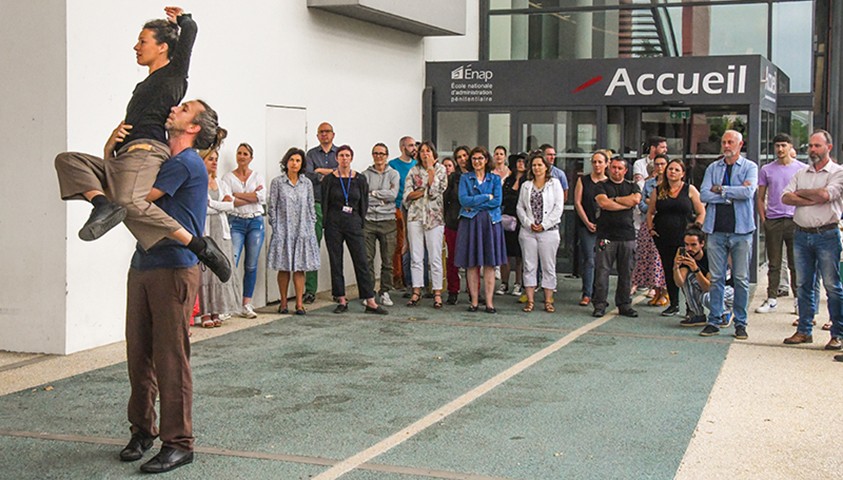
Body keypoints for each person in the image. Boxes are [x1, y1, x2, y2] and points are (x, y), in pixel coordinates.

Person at [53, 7, 230, 282]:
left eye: (142, 41)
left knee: (129, 201)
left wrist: (183, 20)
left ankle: (198, 245)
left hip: (147, 152)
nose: (136, 47)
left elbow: (190, 33)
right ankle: (102, 205)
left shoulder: (174, 75)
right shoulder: (142, 86)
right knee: (68, 161)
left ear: (162, 47)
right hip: (124, 156)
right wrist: (109, 146)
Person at [119, 99, 224, 474]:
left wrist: (113, 177)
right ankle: (142, 430)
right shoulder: (167, 162)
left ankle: (179, 442)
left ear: (194, 128)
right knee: (139, 354)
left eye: (184, 109)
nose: (175, 108)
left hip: (173, 269)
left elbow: (135, 198)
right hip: (144, 263)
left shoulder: (185, 163)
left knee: (170, 359)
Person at [782, 130, 843, 353]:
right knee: (804, 285)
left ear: (829, 147)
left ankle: (837, 334)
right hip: (801, 234)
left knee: (832, 286)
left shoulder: (838, 172)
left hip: (826, 235)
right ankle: (804, 330)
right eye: (810, 146)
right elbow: (785, 197)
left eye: (817, 146)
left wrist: (802, 195)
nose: (812, 150)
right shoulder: (802, 172)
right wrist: (813, 195)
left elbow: (827, 196)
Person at [698, 130, 757, 339]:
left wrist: (721, 190)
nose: (726, 145)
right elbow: (704, 194)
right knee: (716, 278)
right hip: (715, 230)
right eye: (723, 142)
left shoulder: (750, 167)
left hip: (741, 231)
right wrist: (732, 193)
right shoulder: (713, 167)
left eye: (730, 142)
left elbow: (748, 193)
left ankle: (740, 323)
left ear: (740, 145)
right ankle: (714, 320)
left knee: (740, 278)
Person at [322, 145, 388, 314]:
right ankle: (341, 299)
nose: (344, 158)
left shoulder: (359, 179)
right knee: (336, 262)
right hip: (334, 225)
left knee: (362, 261)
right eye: (341, 155)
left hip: (354, 224)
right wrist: (327, 224)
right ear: (337, 158)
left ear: (352, 158)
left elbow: (363, 203)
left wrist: (360, 221)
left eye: (347, 155)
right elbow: (325, 203)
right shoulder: (329, 180)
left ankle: (370, 300)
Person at [647, 158, 706, 317]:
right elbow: (651, 212)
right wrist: (651, 228)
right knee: (669, 269)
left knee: (686, 270)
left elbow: (701, 211)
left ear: (683, 174)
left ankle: (690, 306)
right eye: (670, 169)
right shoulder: (658, 190)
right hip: (663, 237)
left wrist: (696, 229)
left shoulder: (690, 190)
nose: (672, 172)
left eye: (676, 170)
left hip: (684, 239)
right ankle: (673, 304)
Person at [755, 133, 807, 314]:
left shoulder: (802, 169)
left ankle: (799, 301)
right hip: (774, 220)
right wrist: (764, 219)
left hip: (795, 220)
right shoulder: (766, 169)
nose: (780, 149)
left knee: (796, 263)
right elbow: (760, 197)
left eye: (783, 145)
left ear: (791, 147)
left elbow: (806, 195)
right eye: (777, 146)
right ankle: (771, 298)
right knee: (774, 263)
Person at [267, 147, 320, 315]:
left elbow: (311, 206)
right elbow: (272, 206)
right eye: (292, 160)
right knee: (284, 268)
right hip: (283, 231)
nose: (294, 163)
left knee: (300, 268)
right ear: (286, 162)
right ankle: (283, 303)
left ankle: (299, 303)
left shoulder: (307, 183)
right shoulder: (277, 183)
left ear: (302, 163)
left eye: (298, 160)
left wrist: (310, 225)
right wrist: (276, 226)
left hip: (303, 231)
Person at [456, 146, 507, 313]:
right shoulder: (465, 178)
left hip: (490, 223)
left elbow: (497, 202)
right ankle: (475, 302)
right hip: (470, 223)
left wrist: (475, 203)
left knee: (489, 264)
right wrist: (485, 197)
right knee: (471, 264)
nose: (477, 162)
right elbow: (464, 200)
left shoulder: (495, 179)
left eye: (480, 158)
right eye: (474, 159)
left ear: (486, 160)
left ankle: (490, 302)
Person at [197, 147, 241, 328]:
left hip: (221, 232)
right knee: (204, 272)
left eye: (216, 159)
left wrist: (214, 204)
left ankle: (216, 310)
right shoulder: (198, 183)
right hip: (206, 231)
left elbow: (231, 206)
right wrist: (220, 205)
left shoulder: (221, 184)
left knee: (219, 269)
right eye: (210, 159)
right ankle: (205, 312)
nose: (214, 162)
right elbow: (201, 208)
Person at [221, 143, 266, 319]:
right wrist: (251, 196)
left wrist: (237, 195)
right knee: (232, 262)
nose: (241, 156)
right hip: (236, 222)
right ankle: (227, 304)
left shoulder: (258, 176)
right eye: (239, 153)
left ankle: (246, 303)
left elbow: (261, 198)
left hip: (255, 221)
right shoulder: (227, 177)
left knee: (251, 265)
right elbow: (229, 202)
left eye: (245, 153)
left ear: (251, 157)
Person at [592, 157, 641, 318]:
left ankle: (624, 304)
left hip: (627, 236)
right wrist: (624, 203)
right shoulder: (601, 186)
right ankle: (599, 305)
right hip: (606, 236)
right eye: (613, 167)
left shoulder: (632, 186)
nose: (616, 171)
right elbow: (603, 204)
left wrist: (614, 200)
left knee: (626, 273)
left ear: (625, 170)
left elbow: (635, 200)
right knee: (602, 273)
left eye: (620, 168)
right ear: (609, 168)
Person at [516, 152, 564, 313]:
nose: (537, 168)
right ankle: (530, 300)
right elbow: (520, 207)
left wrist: (544, 224)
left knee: (548, 266)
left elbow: (558, 207)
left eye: (540, 165)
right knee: (529, 265)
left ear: (546, 166)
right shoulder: (526, 185)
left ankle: (548, 300)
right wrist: (528, 223)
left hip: (549, 231)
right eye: (534, 165)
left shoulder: (555, 184)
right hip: (528, 231)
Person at [403, 141, 448, 308]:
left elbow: (435, 191)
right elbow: (407, 195)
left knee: (435, 257)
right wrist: (423, 191)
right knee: (416, 256)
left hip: (434, 218)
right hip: (415, 217)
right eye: (422, 151)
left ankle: (437, 292)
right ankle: (416, 291)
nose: (424, 154)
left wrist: (430, 171)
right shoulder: (413, 170)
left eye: (428, 151)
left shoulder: (441, 169)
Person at [303, 122, 339, 304]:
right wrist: (327, 173)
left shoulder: (340, 153)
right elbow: (309, 175)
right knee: (312, 247)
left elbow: (341, 172)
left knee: (335, 249)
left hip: (335, 206)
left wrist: (321, 171)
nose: (324, 135)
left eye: (327, 132)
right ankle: (310, 290)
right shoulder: (311, 154)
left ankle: (338, 290)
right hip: (316, 204)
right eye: (321, 132)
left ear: (333, 134)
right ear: (317, 136)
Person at [361, 143, 399, 307]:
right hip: (368, 220)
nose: (379, 156)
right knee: (367, 259)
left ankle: (385, 291)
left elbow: (393, 195)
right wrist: (381, 197)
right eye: (376, 153)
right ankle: (369, 293)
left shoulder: (394, 174)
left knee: (387, 260)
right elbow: (363, 196)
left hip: (388, 220)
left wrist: (374, 193)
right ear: (372, 155)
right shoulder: (364, 175)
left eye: (382, 153)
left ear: (387, 155)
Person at [675, 227, 734, 326]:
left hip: (729, 291)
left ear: (702, 244)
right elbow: (679, 283)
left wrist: (695, 269)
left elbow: (708, 288)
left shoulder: (711, 257)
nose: (689, 249)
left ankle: (725, 313)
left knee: (707, 297)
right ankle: (698, 315)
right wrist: (675, 267)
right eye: (686, 245)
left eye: (693, 245)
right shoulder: (687, 257)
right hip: (712, 290)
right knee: (688, 278)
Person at [573, 150, 608, 306]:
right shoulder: (583, 180)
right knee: (589, 260)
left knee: (602, 262)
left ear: (606, 164)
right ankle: (587, 293)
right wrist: (587, 222)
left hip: (605, 228)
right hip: (586, 225)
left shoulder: (609, 183)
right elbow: (578, 202)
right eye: (594, 162)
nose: (597, 165)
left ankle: (599, 293)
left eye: (600, 162)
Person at [634, 155, 668, 307]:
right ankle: (655, 290)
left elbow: (668, 206)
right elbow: (641, 204)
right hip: (648, 225)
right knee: (649, 259)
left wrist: (652, 202)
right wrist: (652, 204)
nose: (659, 167)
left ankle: (665, 292)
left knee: (661, 260)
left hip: (665, 226)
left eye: (662, 164)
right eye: (657, 164)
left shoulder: (672, 184)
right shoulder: (649, 184)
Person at [388, 136, 418, 291]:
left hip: (415, 209)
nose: (414, 148)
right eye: (410, 145)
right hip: (398, 208)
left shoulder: (417, 165)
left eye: (414, 145)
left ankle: (413, 279)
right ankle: (398, 277)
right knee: (399, 243)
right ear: (402, 147)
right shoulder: (393, 165)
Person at [498, 152, 527, 297]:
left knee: (519, 255)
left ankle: (518, 283)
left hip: (522, 221)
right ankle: (504, 283)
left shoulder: (528, 182)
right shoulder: (508, 180)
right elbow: (502, 198)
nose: (520, 164)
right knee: (505, 253)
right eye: (518, 161)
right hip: (507, 220)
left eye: (523, 161)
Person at [443, 151, 465, 305]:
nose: (462, 159)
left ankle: (474, 291)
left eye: (465, 156)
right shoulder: (453, 178)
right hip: (453, 223)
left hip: (472, 223)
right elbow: (446, 200)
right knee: (452, 259)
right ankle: (453, 291)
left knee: (473, 260)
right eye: (459, 157)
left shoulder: (478, 176)